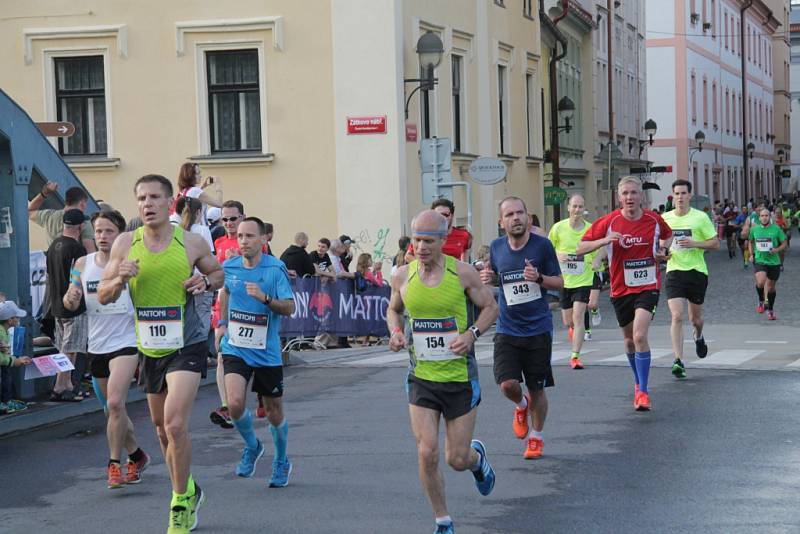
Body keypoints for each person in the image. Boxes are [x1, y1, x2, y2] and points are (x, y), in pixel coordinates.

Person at [98, 174, 223, 534]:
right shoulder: (125, 243)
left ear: (170, 203)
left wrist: (203, 282)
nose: (147, 204)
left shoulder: (192, 242)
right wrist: (118, 278)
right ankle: (190, 488)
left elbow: (217, 275)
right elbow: (104, 294)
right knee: (162, 431)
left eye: (154, 197)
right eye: (141, 198)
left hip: (187, 342)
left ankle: (180, 502)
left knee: (174, 423)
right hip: (150, 348)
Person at [387, 209, 498, 534]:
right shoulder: (402, 276)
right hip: (421, 378)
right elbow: (393, 311)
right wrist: (395, 332)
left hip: (460, 378)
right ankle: (443, 521)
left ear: (443, 240)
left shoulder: (462, 273)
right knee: (427, 451)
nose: (421, 247)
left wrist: (471, 334)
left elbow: (490, 307)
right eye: (416, 240)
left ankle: (477, 460)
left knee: (456, 459)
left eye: (428, 240)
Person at [62, 210, 151, 489]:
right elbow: (70, 301)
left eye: (109, 231)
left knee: (115, 404)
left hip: (126, 341)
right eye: (98, 231)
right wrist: (71, 296)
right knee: (112, 411)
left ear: (120, 234)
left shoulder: (131, 262)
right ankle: (137, 455)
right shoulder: (82, 262)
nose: (102, 237)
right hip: (96, 344)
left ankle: (114, 465)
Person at [577, 176, 672, 411]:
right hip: (620, 288)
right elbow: (581, 248)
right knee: (629, 341)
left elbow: (668, 236)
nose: (630, 197)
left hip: (648, 285)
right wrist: (604, 240)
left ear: (641, 196)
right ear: (619, 198)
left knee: (640, 336)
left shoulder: (653, 219)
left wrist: (662, 251)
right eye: (625, 194)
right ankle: (637, 382)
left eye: (634, 193)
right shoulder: (609, 222)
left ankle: (643, 391)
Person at [214, 217, 296, 488]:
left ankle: (281, 460)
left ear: (264, 239)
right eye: (239, 236)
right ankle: (252, 446)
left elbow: (289, 307)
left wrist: (265, 299)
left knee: (274, 411)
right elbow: (225, 292)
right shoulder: (230, 266)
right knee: (235, 404)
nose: (243, 241)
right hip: (236, 347)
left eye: (250, 236)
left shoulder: (275, 269)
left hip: (266, 351)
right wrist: (222, 324)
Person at [481, 197, 562, 460]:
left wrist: (538, 278)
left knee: (537, 387)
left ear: (528, 217)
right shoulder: (496, 247)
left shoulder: (543, 246)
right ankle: (520, 404)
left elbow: (560, 283)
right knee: (507, 384)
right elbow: (497, 278)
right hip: (507, 328)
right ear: (501, 221)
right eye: (510, 214)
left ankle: (536, 438)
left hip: (538, 328)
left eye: (520, 213)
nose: (515, 218)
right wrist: (490, 278)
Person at [661, 180, 719, 380]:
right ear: (672, 195)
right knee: (677, 316)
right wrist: (663, 254)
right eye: (676, 193)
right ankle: (678, 360)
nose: (680, 197)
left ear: (689, 195)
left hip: (696, 271)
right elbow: (661, 244)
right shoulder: (665, 218)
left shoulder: (700, 218)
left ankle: (698, 336)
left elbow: (715, 243)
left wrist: (695, 243)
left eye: (683, 193)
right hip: (674, 271)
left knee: (696, 319)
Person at [548, 194, 595, 370]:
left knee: (578, 316)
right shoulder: (558, 228)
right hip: (564, 281)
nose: (577, 210)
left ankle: (575, 356)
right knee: (569, 321)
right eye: (574, 206)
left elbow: (599, 248)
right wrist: (558, 256)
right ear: (568, 208)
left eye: (580, 207)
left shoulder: (591, 229)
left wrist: (596, 260)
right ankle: (573, 330)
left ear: (584, 209)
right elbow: (547, 249)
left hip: (584, 278)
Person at [46, 209, 89, 402]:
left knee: (64, 347)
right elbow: (78, 278)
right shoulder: (77, 249)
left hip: (56, 304)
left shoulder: (54, 245)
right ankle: (60, 386)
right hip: (73, 306)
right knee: (70, 349)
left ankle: (68, 384)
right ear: (80, 226)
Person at [28, 182, 96, 252]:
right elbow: (90, 254)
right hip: (75, 262)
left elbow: (29, 212)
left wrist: (44, 193)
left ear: (66, 201)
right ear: (82, 203)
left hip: (53, 260)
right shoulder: (84, 222)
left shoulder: (49, 216)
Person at [405, 199, 473, 262]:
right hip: (429, 273)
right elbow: (408, 256)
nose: (442, 218)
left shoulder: (464, 235)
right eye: (438, 215)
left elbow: (465, 261)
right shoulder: (425, 234)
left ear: (452, 216)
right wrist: (425, 267)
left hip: (452, 274)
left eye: (445, 215)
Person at [749, 208, 787, 320]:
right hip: (760, 260)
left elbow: (784, 243)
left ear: (769, 217)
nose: (764, 217)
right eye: (762, 215)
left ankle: (770, 309)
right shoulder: (754, 229)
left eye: (766, 215)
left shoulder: (776, 229)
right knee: (760, 282)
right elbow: (750, 242)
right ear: (759, 217)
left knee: (770, 288)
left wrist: (777, 250)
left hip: (774, 262)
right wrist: (751, 254)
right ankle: (761, 300)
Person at [0, 301, 33, 415]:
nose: (18, 319)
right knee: (4, 372)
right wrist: (15, 361)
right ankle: (5, 402)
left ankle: (6, 400)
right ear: (9, 320)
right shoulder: (1, 333)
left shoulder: (3, 331)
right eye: (16, 317)